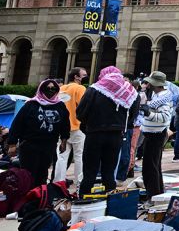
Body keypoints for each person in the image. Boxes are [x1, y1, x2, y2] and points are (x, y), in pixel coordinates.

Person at [76, 66, 137, 196]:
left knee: (90, 171)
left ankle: (84, 201)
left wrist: (88, 124)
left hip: (94, 133)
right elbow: (132, 115)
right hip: (116, 135)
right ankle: (109, 202)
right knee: (109, 172)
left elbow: (80, 112)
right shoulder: (129, 91)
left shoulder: (94, 89)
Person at [8, 78, 71, 186]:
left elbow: (65, 124)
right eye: (47, 88)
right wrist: (12, 143)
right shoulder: (31, 105)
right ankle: (27, 198)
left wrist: (64, 140)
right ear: (41, 89)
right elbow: (17, 124)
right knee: (28, 173)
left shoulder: (60, 105)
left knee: (43, 172)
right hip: (29, 144)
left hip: (49, 144)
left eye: (53, 88)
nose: (50, 91)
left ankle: (40, 196)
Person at [138, 72, 173, 197]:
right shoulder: (157, 95)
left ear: (155, 84)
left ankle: (153, 194)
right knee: (153, 165)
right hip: (152, 133)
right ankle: (156, 192)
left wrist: (149, 114)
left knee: (150, 167)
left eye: (149, 83)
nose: (147, 85)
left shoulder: (162, 99)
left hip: (156, 134)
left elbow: (165, 117)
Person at [57, 67, 87, 188]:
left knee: (62, 157)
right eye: (83, 75)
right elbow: (84, 106)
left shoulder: (61, 89)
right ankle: (80, 182)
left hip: (61, 128)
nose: (85, 77)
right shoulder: (80, 88)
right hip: (77, 126)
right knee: (79, 156)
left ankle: (58, 182)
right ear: (76, 77)